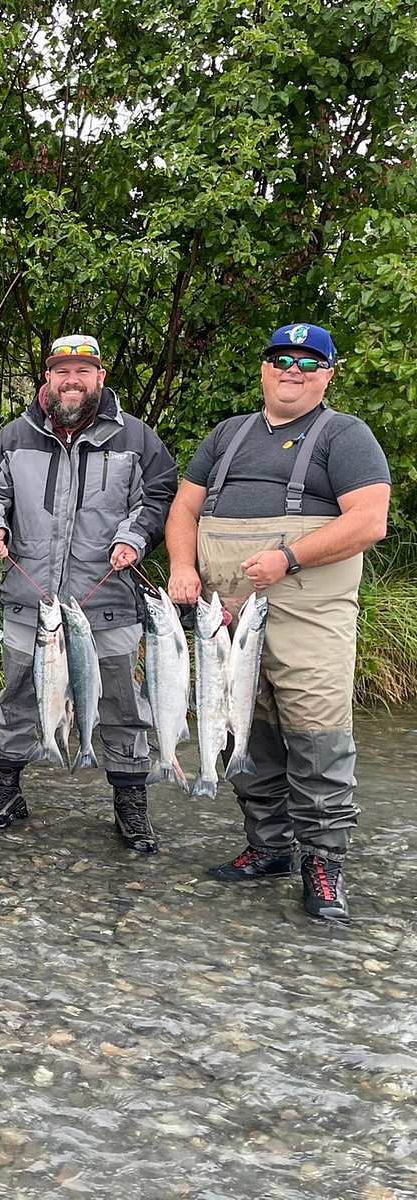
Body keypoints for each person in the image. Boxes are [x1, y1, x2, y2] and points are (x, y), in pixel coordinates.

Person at [165, 322, 389, 919]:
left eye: (309, 362)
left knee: (316, 733)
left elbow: (369, 521)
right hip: (226, 611)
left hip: (307, 610)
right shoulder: (227, 435)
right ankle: (267, 844)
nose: (293, 369)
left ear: (328, 374)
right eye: (282, 358)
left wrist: (288, 558)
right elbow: (184, 508)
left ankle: (323, 863)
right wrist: (182, 566)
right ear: (263, 368)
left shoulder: (346, 436)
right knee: (243, 729)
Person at [0, 334, 178, 851]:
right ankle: (5, 791)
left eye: (83, 371)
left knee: (124, 706)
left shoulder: (137, 439)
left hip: (107, 605)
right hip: (29, 600)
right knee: (18, 697)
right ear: (48, 378)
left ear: (100, 377)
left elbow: (159, 499)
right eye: (62, 371)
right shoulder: (15, 436)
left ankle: (130, 805)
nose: (71, 380)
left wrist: (135, 538)